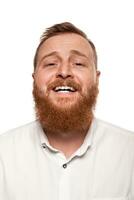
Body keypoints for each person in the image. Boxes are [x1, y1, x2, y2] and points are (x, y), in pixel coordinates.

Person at [0, 22, 134, 200]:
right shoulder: (3, 153)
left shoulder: (129, 152)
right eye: (50, 64)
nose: (64, 72)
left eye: (78, 63)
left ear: (96, 79)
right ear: (34, 79)